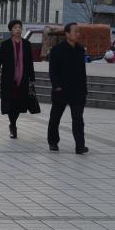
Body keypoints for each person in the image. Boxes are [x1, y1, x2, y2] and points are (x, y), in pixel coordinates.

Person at [47, 22, 88, 154]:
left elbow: (82, 72)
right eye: (75, 31)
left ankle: (80, 146)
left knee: (78, 119)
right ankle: (53, 142)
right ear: (67, 34)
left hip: (77, 91)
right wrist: (57, 86)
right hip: (61, 90)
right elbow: (53, 71)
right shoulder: (57, 50)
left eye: (78, 32)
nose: (78, 34)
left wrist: (84, 90)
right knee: (55, 118)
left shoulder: (80, 50)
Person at [0, 19, 35, 139]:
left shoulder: (26, 44)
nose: (18, 29)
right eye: (15, 28)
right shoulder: (5, 44)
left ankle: (13, 122)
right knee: (10, 103)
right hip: (9, 80)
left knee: (19, 104)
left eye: (19, 27)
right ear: (11, 30)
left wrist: (32, 78)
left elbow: (30, 63)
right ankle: (13, 125)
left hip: (23, 79)